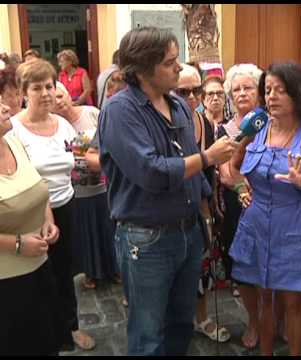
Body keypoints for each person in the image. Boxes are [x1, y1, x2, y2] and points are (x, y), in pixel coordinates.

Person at [98, 26, 237, 356]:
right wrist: (207, 157)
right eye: (170, 62)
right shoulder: (120, 111)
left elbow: (192, 175)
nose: (179, 67)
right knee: (148, 334)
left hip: (187, 232)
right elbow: (152, 172)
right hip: (146, 240)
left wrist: (206, 218)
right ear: (144, 68)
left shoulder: (176, 105)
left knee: (180, 325)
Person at [230, 62, 301, 356]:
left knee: (293, 302)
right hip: (258, 222)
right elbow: (233, 165)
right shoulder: (257, 127)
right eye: (268, 90)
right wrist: (240, 189)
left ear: (297, 94)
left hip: (294, 226)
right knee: (264, 298)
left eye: (280, 91)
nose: (271, 96)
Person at [9, 59, 95, 351]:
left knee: (65, 271)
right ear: (23, 92)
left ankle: (70, 327)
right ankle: (47, 330)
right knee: (38, 277)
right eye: (37, 87)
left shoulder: (63, 125)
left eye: (50, 85)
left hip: (66, 206)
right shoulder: (13, 130)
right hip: (31, 213)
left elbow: (80, 157)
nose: (46, 92)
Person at [174, 63, 231, 343]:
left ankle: (202, 318)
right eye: (183, 91)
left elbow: (213, 172)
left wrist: (211, 209)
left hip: (202, 206)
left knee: (203, 266)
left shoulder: (206, 124)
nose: (192, 97)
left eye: (195, 90)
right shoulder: (164, 122)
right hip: (171, 213)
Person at [0, 96, 61, 356]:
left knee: (47, 340)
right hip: (6, 282)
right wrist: (16, 244)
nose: (6, 107)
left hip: (39, 266)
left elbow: (36, 188)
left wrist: (48, 219)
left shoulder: (13, 141)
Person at [53, 82, 117, 290]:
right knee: (86, 232)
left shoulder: (91, 113)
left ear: (67, 95)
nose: (58, 102)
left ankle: (114, 269)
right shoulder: (56, 125)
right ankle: (92, 272)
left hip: (104, 185)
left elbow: (111, 137)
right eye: (53, 99)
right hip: (77, 190)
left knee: (107, 228)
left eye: (60, 96)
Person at [218, 63, 263, 349]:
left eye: (248, 87)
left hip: (271, 204)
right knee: (244, 269)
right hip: (239, 204)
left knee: (270, 267)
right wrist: (242, 188)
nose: (242, 93)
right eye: (237, 89)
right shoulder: (224, 129)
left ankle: (276, 318)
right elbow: (224, 171)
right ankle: (255, 321)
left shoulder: (271, 123)